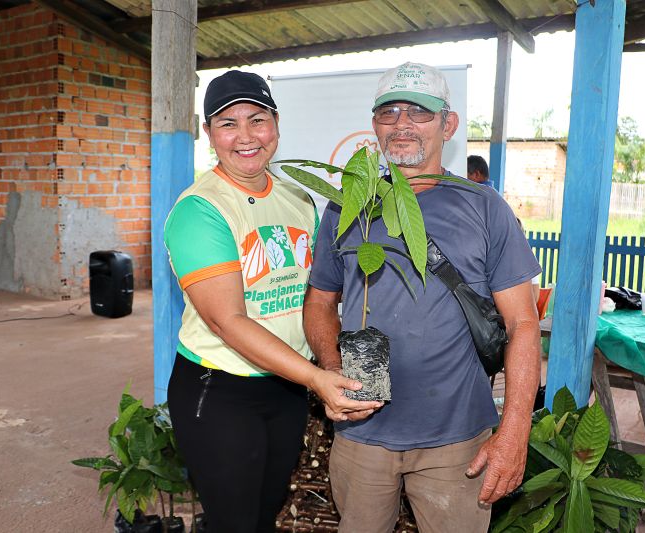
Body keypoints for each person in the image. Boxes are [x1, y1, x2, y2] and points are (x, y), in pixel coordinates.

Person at [303, 62, 542, 533]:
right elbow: (319, 302)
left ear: (448, 125)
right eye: (388, 113)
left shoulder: (484, 208)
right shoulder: (347, 206)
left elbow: (523, 324)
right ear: (374, 125)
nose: (402, 124)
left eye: (420, 113)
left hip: (456, 441)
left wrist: (515, 431)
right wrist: (332, 371)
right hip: (362, 432)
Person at [163, 70, 381, 533]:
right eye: (227, 123)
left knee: (266, 512)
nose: (245, 136)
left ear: (276, 125)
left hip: (284, 388)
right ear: (209, 133)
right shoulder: (200, 209)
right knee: (233, 522)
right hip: (219, 387)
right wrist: (317, 378)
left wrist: (328, 361)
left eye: (257, 120)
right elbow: (227, 322)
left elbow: (314, 295)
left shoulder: (298, 197)